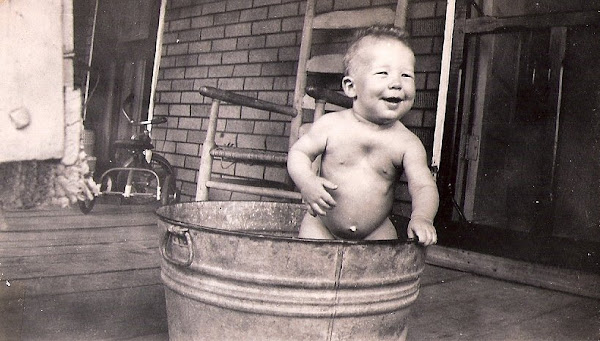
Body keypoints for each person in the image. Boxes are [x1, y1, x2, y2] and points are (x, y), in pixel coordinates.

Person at [287, 25, 438, 245]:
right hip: (322, 227)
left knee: (385, 269)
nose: (396, 83)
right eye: (383, 73)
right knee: (311, 269)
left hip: (376, 231)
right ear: (351, 87)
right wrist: (307, 181)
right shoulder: (331, 125)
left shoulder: (407, 143)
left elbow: (423, 186)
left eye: (406, 75)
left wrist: (422, 217)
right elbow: (299, 153)